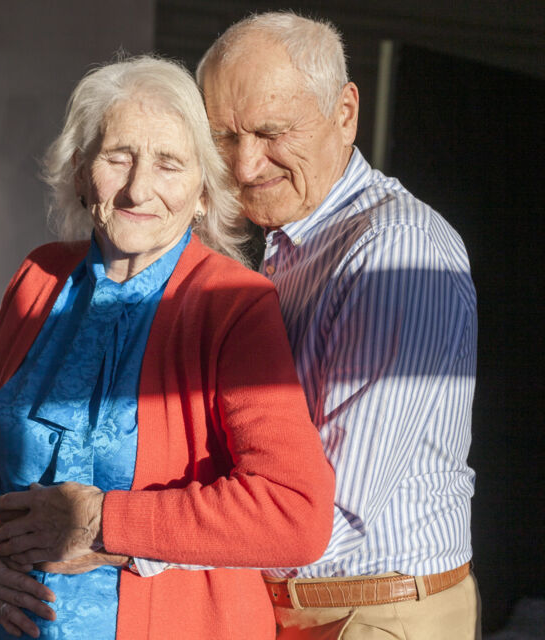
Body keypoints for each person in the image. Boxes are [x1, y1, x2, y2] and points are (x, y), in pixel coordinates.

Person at [0, 54, 335, 640]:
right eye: (117, 157)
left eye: (169, 164)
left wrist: (104, 522)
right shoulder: (38, 278)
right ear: (82, 173)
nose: (138, 188)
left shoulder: (232, 305)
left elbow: (292, 513)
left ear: (204, 192)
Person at [195, 12, 480, 639]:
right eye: (223, 137)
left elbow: (325, 515)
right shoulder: (288, 244)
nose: (244, 166)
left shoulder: (395, 251)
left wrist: (138, 541)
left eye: (271, 133)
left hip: (370, 615)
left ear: (344, 113)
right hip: (308, 605)